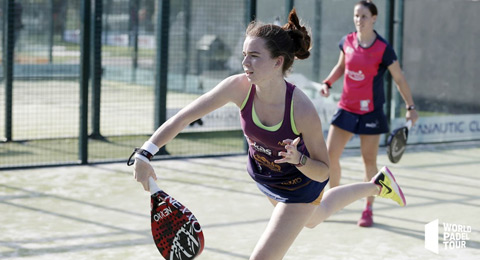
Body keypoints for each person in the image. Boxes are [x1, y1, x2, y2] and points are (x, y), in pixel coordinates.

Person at [132, 9, 406, 259]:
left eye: (254, 56)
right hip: (265, 176)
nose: (245, 62)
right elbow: (185, 116)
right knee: (315, 216)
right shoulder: (237, 88)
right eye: (244, 55)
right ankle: (378, 185)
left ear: (277, 63)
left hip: (300, 184)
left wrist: (299, 159)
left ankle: (375, 186)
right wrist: (146, 152)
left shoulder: (301, 109)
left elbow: (324, 172)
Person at [318, 0, 418, 228]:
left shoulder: (383, 48)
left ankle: (368, 208)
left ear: (374, 18)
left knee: (369, 162)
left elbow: (399, 78)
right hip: (345, 109)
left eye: (363, 16)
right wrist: (328, 83)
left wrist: (411, 107)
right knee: (329, 156)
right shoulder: (348, 41)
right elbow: (341, 67)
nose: (358, 20)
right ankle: (332, 201)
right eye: (356, 15)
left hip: (371, 113)